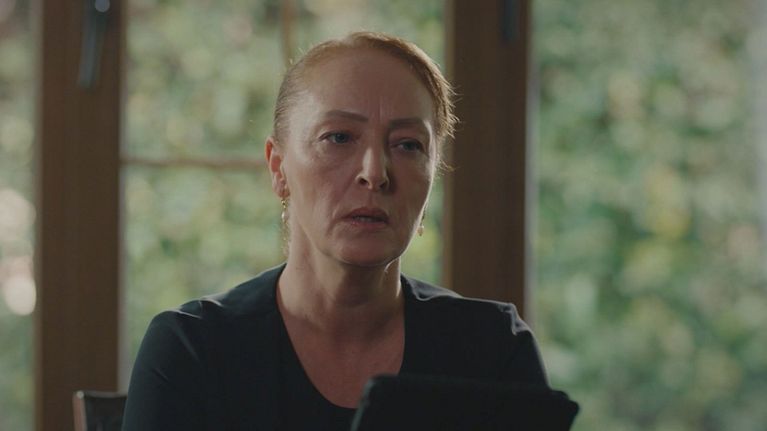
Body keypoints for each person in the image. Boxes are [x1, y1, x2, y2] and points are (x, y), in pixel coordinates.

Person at [122, 31, 549, 431]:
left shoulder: (493, 351)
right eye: (339, 137)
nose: (375, 173)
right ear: (278, 168)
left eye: (408, 145)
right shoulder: (194, 350)